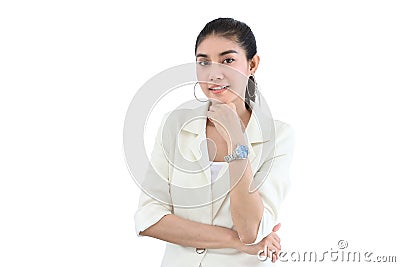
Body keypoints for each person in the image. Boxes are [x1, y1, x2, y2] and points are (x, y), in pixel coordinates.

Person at [134, 18, 295, 267]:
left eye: (228, 60)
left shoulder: (279, 136)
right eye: (204, 62)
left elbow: (251, 230)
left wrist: (236, 138)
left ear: (252, 64)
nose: (214, 73)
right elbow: (148, 218)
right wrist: (234, 241)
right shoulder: (174, 125)